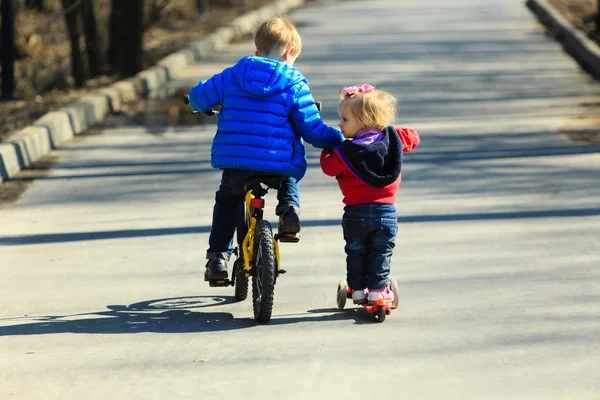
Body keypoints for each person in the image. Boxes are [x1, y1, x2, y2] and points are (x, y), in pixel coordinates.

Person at [188, 16, 344, 282]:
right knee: (290, 173)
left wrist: (201, 105)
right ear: (289, 52)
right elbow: (311, 128)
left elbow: (198, 97)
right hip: (277, 163)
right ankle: (289, 211)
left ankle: (217, 258)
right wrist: (338, 139)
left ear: (258, 51)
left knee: (228, 199)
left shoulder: (233, 74)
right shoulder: (294, 82)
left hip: (237, 162)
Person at [320, 84, 420, 305]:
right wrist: (392, 131)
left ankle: (356, 290)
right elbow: (413, 137)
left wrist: (329, 148)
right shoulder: (393, 140)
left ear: (363, 122)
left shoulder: (345, 152)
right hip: (386, 212)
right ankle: (376, 290)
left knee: (356, 250)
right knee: (381, 251)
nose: (340, 124)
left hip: (356, 212)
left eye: (344, 120)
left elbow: (328, 168)